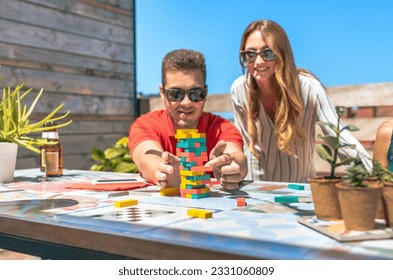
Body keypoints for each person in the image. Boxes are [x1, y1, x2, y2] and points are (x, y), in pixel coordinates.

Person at [230, 19, 371, 182]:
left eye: (267, 53)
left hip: (299, 193)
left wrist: (376, 180)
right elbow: (240, 143)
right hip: (256, 190)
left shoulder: (310, 89)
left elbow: (341, 139)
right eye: (251, 54)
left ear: (282, 54)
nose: (258, 62)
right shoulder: (239, 89)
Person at [129, 49, 247, 190]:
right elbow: (146, 157)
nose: (186, 103)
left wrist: (232, 166)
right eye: (175, 94)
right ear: (162, 93)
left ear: (205, 92)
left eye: (196, 94)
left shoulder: (223, 127)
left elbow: (236, 155)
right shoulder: (146, 124)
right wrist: (165, 173)